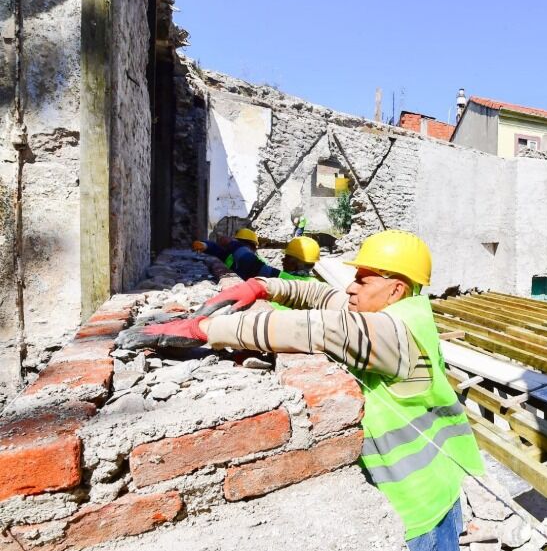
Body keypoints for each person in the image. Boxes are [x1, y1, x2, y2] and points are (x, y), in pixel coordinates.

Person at [125, 230, 485, 550]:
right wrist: (264, 287)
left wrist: (206, 330)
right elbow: (323, 297)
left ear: (395, 288)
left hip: (420, 500)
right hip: (435, 484)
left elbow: (314, 328)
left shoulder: (394, 333)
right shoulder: (406, 309)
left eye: (362, 279)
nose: (350, 287)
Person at [192, 228, 273, 280]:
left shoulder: (258, 262)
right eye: (241, 244)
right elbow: (216, 249)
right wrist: (204, 245)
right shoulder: (231, 258)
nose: (243, 248)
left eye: (244, 245)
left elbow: (217, 250)